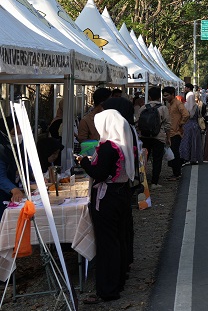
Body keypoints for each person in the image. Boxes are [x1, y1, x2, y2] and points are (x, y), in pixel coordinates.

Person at [78, 107, 136, 304]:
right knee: (118, 238)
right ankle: (118, 281)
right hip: (121, 194)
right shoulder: (123, 144)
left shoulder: (107, 147)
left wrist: (84, 162)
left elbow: (100, 173)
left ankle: (108, 289)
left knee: (107, 243)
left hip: (107, 198)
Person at [138, 87, 170, 189]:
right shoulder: (163, 108)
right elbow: (167, 125)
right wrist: (168, 138)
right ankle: (154, 182)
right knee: (157, 160)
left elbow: (138, 123)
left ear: (149, 96)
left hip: (144, 137)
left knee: (143, 159)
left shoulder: (143, 108)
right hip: (158, 137)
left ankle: (142, 180)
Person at [0, 116, 24, 217]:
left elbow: (25, 164)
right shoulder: (1, 149)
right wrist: (14, 189)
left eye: (20, 132)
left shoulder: (18, 146)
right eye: (14, 133)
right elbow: (1, 177)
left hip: (13, 190)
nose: (18, 136)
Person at [163, 86, 188, 181]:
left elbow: (186, 114)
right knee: (173, 153)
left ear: (172, 95)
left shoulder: (177, 103)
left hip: (176, 133)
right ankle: (175, 173)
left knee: (175, 154)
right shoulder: (170, 104)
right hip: (171, 132)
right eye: (164, 95)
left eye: (167, 95)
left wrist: (180, 124)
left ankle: (177, 174)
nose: (165, 97)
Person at [180, 92, 203, 165]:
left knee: (186, 142)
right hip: (195, 126)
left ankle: (185, 157)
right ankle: (195, 158)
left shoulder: (184, 106)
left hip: (186, 126)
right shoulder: (196, 106)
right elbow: (199, 115)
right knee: (195, 142)